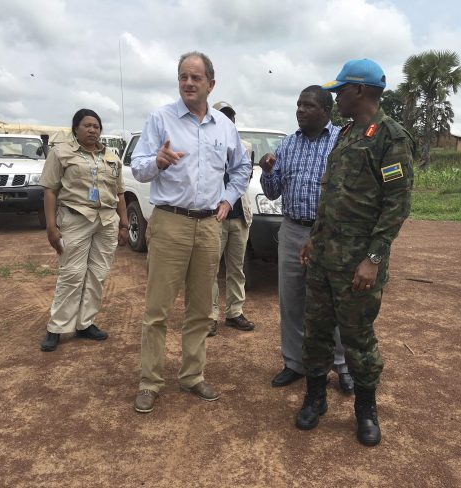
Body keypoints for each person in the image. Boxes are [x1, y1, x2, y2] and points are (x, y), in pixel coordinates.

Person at [296, 59, 414, 446]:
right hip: (325, 256)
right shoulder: (346, 134)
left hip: (358, 263)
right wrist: (315, 236)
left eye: (340, 90)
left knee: (358, 337)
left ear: (360, 91)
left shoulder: (390, 137)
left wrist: (373, 259)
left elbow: (396, 206)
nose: (335, 97)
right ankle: (315, 398)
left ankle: (365, 409)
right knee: (315, 332)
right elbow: (331, 194)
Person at [131, 52, 251, 414]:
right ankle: (150, 381)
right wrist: (157, 162)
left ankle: (192, 376)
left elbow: (241, 168)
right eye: (183, 76)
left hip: (208, 225)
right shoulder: (160, 118)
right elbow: (137, 168)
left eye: (196, 78)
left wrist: (228, 200)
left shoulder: (224, 127)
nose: (188, 83)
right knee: (157, 309)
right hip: (169, 222)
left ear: (210, 84)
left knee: (201, 308)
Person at [259, 85, 353, 393]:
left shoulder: (342, 140)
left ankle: (342, 367)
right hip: (292, 230)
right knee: (292, 300)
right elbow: (273, 192)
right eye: (298, 105)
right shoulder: (287, 145)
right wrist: (268, 171)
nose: (300, 110)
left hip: (330, 234)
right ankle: (294, 363)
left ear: (326, 111)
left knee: (334, 303)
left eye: (308, 105)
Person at [39, 108, 129, 352]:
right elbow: (50, 190)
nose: (92, 130)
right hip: (75, 219)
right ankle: (57, 327)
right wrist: (51, 226)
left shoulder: (111, 156)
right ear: (75, 129)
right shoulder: (61, 153)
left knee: (97, 274)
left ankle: (85, 323)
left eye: (96, 126)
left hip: (106, 222)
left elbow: (120, 193)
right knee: (72, 274)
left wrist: (124, 224)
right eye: (87, 125)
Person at [208, 101, 255, 337]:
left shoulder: (244, 146)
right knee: (210, 269)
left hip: (239, 216)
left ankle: (235, 312)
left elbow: (245, 178)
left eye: (231, 117)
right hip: (214, 217)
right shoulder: (207, 143)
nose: (228, 121)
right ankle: (210, 316)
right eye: (223, 116)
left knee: (237, 269)